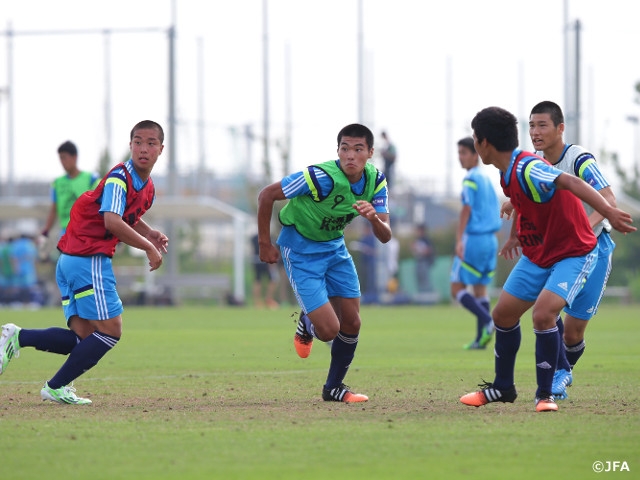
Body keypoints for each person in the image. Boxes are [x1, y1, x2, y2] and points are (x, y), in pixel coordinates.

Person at [459, 106, 635, 413]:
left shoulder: (531, 166)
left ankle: (545, 394)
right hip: (539, 252)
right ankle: (503, 388)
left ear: (484, 143)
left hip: (574, 251)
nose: (536, 131)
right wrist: (514, 234)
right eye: (531, 125)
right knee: (502, 315)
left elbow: (574, 183)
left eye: (475, 139)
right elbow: (521, 201)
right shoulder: (508, 170)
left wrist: (609, 213)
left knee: (546, 316)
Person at [0, 120, 168, 405]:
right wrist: (149, 247)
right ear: (130, 145)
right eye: (138, 142)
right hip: (87, 259)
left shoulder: (146, 186)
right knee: (111, 331)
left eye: (151, 143)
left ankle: (17, 337)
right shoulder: (120, 177)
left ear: (160, 149)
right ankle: (55, 386)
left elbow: (124, 214)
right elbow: (112, 221)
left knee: (82, 337)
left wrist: (148, 231)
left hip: (71, 259)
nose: (143, 148)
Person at [257, 123, 391, 403]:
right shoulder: (319, 177)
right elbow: (266, 195)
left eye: (358, 149)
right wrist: (265, 244)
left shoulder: (376, 180)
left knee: (352, 321)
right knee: (329, 330)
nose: (350, 155)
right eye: (345, 149)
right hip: (301, 251)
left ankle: (334, 388)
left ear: (370, 152)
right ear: (338, 151)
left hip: (335, 249)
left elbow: (385, 236)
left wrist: (374, 218)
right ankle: (306, 321)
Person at [527, 100, 617, 400]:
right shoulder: (534, 162)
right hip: (560, 250)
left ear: (560, 128)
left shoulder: (578, 159)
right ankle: (559, 374)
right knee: (545, 307)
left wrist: (584, 230)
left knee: (573, 333)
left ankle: (562, 373)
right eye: (531, 125)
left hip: (594, 248)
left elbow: (608, 200)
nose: (535, 132)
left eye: (542, 125)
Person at [450, 137, 502, 350]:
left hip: (474, 238)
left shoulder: (471, 178)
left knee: (456, 288)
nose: (460, 158)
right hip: (491, 240)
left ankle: (488, 321)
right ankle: (481, 339)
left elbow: (466, 208)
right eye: (459, 153)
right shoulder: (487, 178)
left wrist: (459, 238)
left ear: (475, 155)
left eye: (464, 153)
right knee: (480, 290)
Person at [40, 141, 100, 241]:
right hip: (65, 233)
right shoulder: (57, 183)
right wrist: (45, 231)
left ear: (74, 157)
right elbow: (54, 209)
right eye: (60, 158)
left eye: (64, 157)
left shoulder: (91, 179)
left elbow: (102, 204)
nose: (62, 162)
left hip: (87, 232)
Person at [251, 233, 279, 308]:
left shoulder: (254, 237)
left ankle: (258, 302)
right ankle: (267, 299)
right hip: (266, 260)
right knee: (272, 280)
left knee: (258, 280)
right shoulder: (269, 237)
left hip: (256, 260)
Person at [411, 224, 435, 293]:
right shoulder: (418, 239)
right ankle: (422, 295)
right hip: (419, 261)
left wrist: (419, 250)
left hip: (425, 261)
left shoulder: (426, 239)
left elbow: (429, 250)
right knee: (419, 279)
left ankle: (428, 295)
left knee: (425, 280)